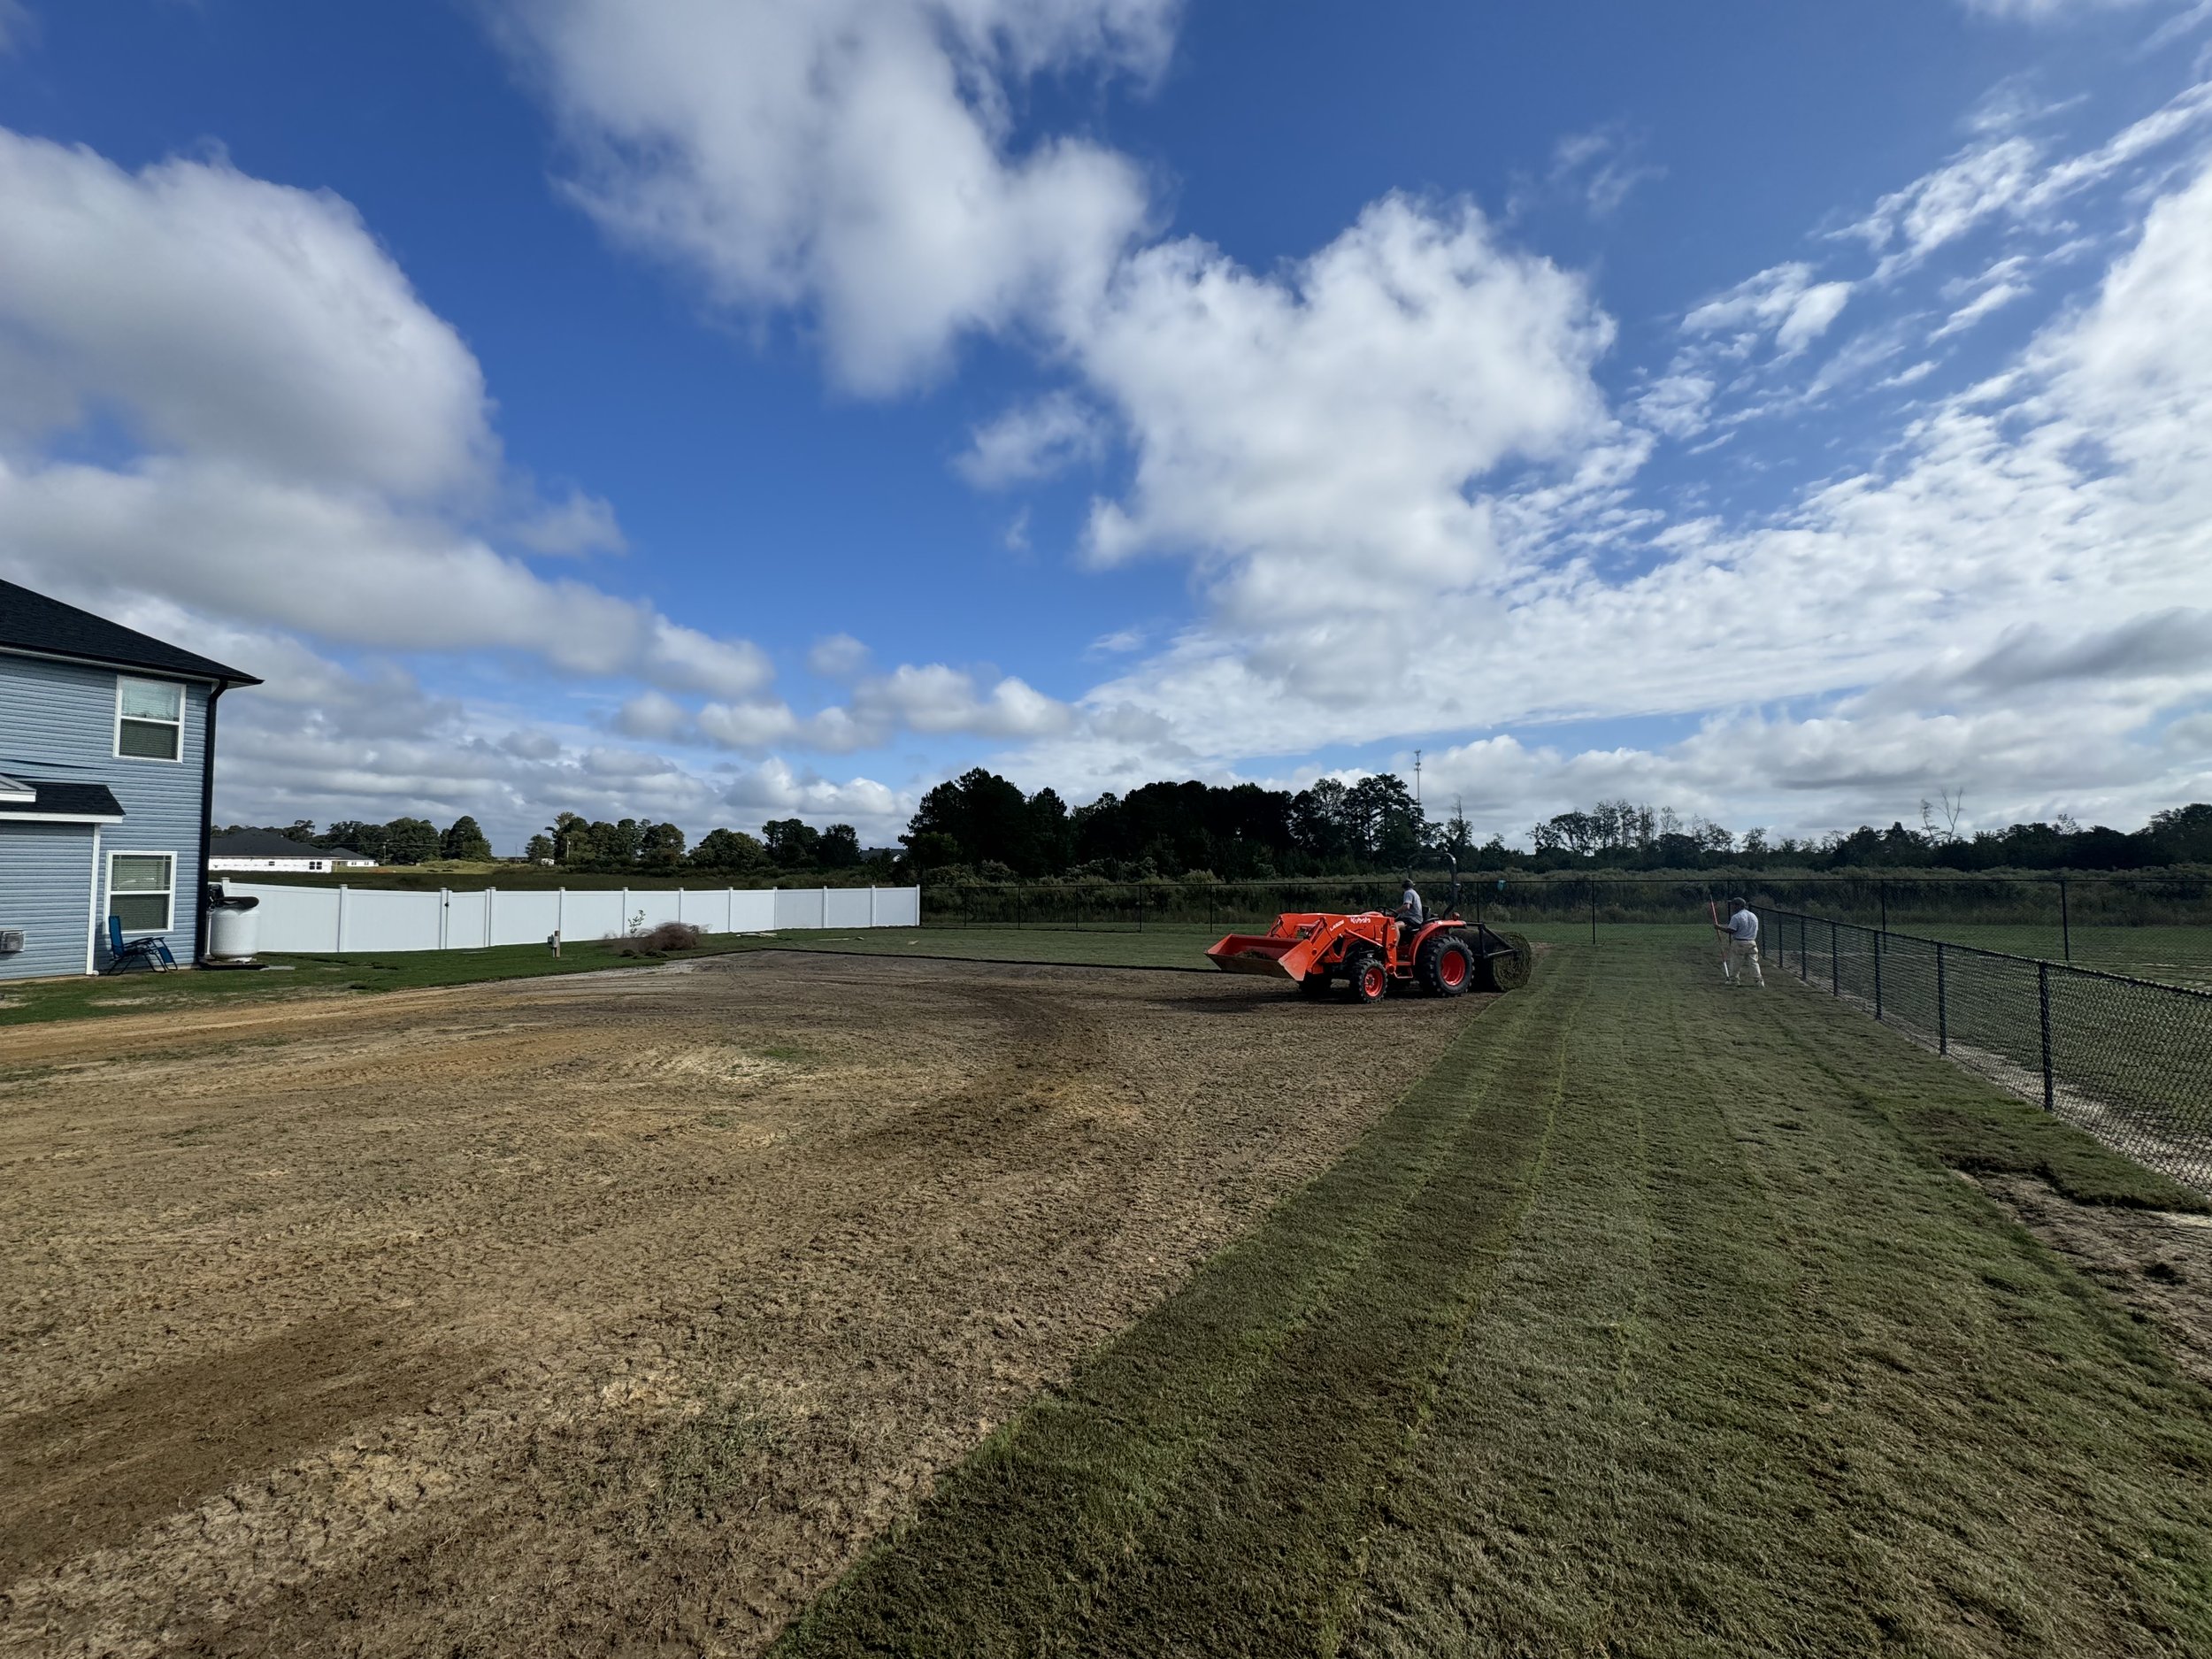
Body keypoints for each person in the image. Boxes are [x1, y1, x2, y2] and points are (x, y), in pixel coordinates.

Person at [1717, 898, 1763, 987]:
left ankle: (1734, 980)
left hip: (1739, 943)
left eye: (1734, 905)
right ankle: (1758, 981)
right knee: (1753, 962)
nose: (1732, 907)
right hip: (1752, 942)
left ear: (1738, 906)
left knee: (1736, 962)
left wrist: (1718, 928)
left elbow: (1731, 930)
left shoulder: (1737, 917)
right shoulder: (1753, 916)